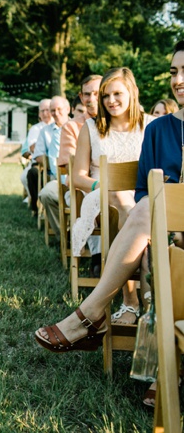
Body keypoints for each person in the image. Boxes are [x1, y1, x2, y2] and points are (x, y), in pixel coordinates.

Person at [34, 40, 184, 406]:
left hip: (170, 224)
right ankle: (169, 368)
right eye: (174, 72)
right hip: (166, 229)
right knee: (148, 212)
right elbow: (144, 190)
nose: (178, 80)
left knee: (149, 213)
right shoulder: (159, 130)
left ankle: (90, 316)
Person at [70, 67, 154, 324]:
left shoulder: (150, 124)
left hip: (143, 198)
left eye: (117, 93)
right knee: (122, 200)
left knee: (137, 206)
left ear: (132, 93)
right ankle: (134, 302)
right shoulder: (92, 128)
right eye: (105, 95)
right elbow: (77, 177)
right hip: (102, 197)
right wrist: (103, 185)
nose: (110, 101)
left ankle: (146, 304)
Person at [38, 75, 101, 237]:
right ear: (81, 97)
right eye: (87, 94)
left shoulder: (117, 123)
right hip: (79, 185)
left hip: (109, 182)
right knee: (47, 194)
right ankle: (67, 237)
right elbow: (69, 166)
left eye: (97, 93)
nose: (92, 98)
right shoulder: (72, 127)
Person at [27, 96, 70, 215]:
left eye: (59, 109)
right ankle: (61, 232)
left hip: (76, 173)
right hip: (52, 173)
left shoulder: (78, 126)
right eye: (53, 110)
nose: (55, 113)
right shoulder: (45, 131)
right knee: (37, 178)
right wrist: (56, 164)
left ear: (68, 109)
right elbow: (38, 155)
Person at [20, 99, 52, 204]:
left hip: (54, 161)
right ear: (39, 113)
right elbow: (33, 147)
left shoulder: (61, 125)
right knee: (25, 176)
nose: (45, 113)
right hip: (38, 162)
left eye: (47, 110)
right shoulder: (35, 128)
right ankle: (35, 202)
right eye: (42, 111)